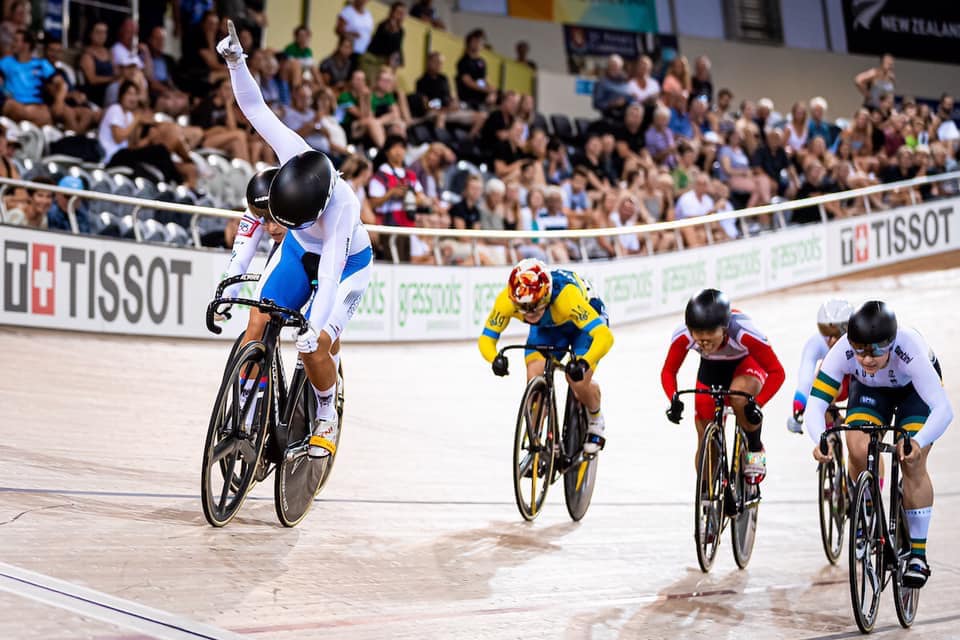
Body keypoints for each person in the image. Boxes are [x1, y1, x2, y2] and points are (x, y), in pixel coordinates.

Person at [219, 20, 374, 459]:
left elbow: (328, 279)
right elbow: (255, 109)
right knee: (258, 323)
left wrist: (312, 332)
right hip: (298, 252)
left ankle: (325, 411)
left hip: (345, 264)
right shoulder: (294, 152)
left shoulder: (342, 206)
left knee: (315, 346)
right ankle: (250, 409)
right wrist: (237, 61)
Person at [805, 301, 951, 588]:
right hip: (871, 391)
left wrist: (917, 442)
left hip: (914, 393)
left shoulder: (911, 349)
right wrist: (819, 438)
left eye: (876, 352)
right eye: (860, 351)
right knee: (857, 445)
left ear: (892, 342)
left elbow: (944, 410)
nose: (868, 359)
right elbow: (816, 403)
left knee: (912, 461)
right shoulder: (843, 351)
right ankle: (868, 508)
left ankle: (918, 556)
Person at [480, 259, 614, 454]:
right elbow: (486, 338)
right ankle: (537, 439)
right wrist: (494, 358)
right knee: (534, 377)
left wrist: (584, 362)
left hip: (582, 326)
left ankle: (596, 419)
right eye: (523, 308)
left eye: (535, 305)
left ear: (545, 296)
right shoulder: (508, 301)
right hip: (548, 327)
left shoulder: (566, 297)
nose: (529, 313)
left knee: (577, 380)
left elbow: (605, 336)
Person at [662, 289, 785, 484]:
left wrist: (757, 404)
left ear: (724, 328)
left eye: (710, 332)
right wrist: (673, 399)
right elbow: (668, 371)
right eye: (698, 333)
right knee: (704, 437)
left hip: (746, 364)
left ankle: (754, 448)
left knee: (740, 399)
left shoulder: (744, 332)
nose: (703, 339)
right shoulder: (684, 335)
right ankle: (710, 491)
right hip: (712, 369)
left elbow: (777, 372)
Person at [785, 300, 853, 435]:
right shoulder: (815, 343)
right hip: (837, 382)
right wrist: (798, 409)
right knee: (822, 378)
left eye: (838, 333)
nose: (831, 340)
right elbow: (806, 380)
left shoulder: (859, 340)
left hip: (856, 380)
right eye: (826, 332)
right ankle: (830, 434)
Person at [456, 29, 494, 111]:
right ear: (469, 42)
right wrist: (485, 89)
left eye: (480, 41)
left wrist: (491, 91)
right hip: (468, 98)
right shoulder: (463, 62)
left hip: (481, 98)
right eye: (476, 41)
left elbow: (482, 80)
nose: (478, 44)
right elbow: (468, 81)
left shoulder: (481, 62)